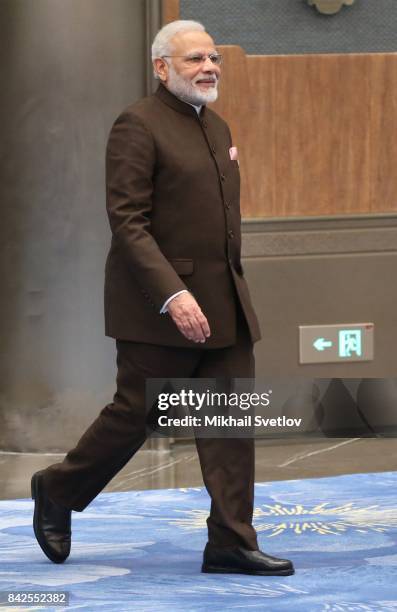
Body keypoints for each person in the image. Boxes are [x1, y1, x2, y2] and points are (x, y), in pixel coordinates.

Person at [31, 19, 294, 577]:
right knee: (136, 415)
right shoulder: (137, 125)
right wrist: (173, 295)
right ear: (161, 67)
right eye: (195, 59)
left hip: (225, 304)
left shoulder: (218, 126)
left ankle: (230, 541)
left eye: (214, 58)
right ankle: (57, 488)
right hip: (159, 309)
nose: (209, 68)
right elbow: (128, 224)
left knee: (227, 423)